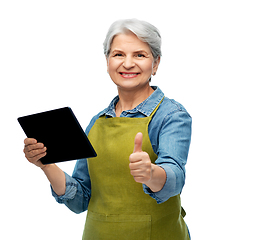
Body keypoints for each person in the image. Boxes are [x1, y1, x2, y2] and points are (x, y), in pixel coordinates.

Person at [23, 19, 192, 240]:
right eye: (118, 54)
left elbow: (175, 179)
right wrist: (46, 164)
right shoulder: (97, 122)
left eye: (139, 55)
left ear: (156, 63)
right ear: (107, 61)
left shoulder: (171, 115)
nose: (128, 64)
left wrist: (151, 173)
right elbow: (80, 199)